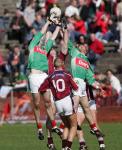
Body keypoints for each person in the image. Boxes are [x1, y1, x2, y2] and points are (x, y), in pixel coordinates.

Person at [66, 32, 105, 149]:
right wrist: (64, 30)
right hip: (77, 82)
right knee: (75, 114)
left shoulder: (87, 62)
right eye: (83, 45)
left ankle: (94, 129)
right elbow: (67, 42)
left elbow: (91, 79)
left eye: (86, 46)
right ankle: (77, 141)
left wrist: (99, 87)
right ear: (79, 47)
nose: (85, 47)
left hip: (83, 85)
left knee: (87, 109)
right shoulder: (75, 53)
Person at [28, 16, 61, 140]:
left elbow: (52, 37)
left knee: (48, 102)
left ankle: (54, 125)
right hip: (33, 77)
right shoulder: (32, 46)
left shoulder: (45, 49)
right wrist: (47, 22)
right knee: (36, 104)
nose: (42, 39)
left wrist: (58, 26)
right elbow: (42, 32)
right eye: (41, 38)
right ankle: (39, 129)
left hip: (43, 76)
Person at [39, 58, 78, 150]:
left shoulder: (50, 76)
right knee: (73, 125)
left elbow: (41, 89)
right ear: (63, 64)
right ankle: (68, 146)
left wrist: (47, 98)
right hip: (67, 100)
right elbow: (75, 88)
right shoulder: (67, 75)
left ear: (54, 65)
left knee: (66, 125)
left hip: (58, 103)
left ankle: (64, 147)